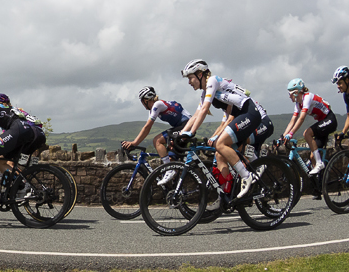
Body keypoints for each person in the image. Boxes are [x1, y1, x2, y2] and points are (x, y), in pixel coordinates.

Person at [177, 59, 266, 199]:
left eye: (190, 78)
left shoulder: (212, 81)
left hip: (249, 112)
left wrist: (191, 132)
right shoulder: (204, 92)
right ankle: (256, 165)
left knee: (220, 144)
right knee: (225, 149)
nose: (189, 82)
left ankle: (246, 176)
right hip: (241, 114)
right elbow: (196, 114)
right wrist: (182, 133)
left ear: (200, 74)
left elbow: (205, 109)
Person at [280, 78, 337, 175]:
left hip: (329, 119)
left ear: (296, 92)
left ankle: (319, 164)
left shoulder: (307, 97)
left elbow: (301, 118)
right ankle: (320, 183)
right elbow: (292, 120)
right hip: (322, 122)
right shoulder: (298, 104)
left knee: (307, 133)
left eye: (290, 93)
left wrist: (291, 133)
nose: (289, 96)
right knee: (312, 157)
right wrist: (283, 136)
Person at [122, 86, 190, 162]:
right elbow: (147, 128)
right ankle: (171, 170)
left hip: (186, 125)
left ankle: (168, 169)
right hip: (181, 126)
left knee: (157, 140)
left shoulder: (157, 104)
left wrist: (134, 143)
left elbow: (147, 127)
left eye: (142, 102)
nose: (142, 105)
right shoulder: (153, 109)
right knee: (172, 160)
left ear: (146, 100)